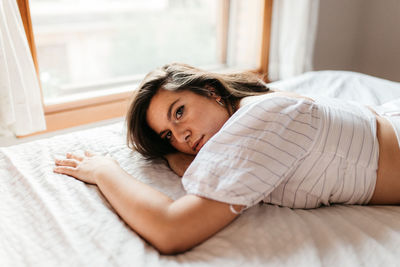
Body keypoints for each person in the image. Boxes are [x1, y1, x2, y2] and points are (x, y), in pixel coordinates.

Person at [53, 63, 400, 255]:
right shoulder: (248, 121)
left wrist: (104, 170)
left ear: (212, 92)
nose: (182, 137)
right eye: (168, 137)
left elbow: (172, 229)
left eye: (179, 112)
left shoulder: (261, 119)